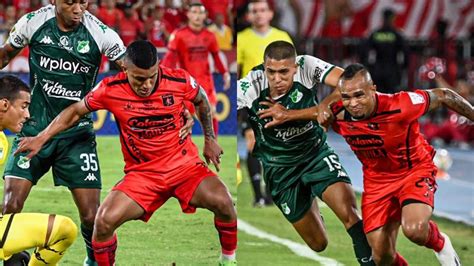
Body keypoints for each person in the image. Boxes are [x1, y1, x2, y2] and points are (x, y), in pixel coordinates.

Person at [15, 40, 238, 266]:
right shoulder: (110, 89)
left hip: (184, 167)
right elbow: (75, 111)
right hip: (143, 175)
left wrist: (209, 139)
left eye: (152, 76)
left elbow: (201, 98)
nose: (147, 84)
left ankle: (228, 261)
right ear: (125, 69)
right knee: (102, 222)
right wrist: (41, 137)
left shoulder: (177, 80)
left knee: (225, 202)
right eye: (140, 78)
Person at [258, 63, 472, 265]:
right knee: (381, 257)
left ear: (373, 90)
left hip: (413, 171)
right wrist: (286, 115)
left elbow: (444, 96)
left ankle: (441, 245)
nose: (353, 103)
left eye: (359, 95)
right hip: (376, 182)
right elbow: (315, 113)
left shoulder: (402, 104)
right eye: (347, 97)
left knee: (414, 229)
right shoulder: (338, 112)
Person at [0, 1, 127, 265]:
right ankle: (13, 259)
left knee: (92, 216)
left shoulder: (101, 34)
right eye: (71, 2)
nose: (79, 8)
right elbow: (4, 56)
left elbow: (133, 73)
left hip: (76, 135)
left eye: (84, 1)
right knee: (10, 205)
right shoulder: (33, 22)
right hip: (33, 130)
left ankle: (94, 261)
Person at [237, 41, 373, 265]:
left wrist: (322, 107)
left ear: (295, 68)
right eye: (271, 72)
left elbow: (348, 83)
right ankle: (310, 200)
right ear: (264, 68)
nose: (277, 79)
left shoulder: (308, 66)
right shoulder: (250, 85)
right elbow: (214, 106)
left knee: (351, 216)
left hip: (315, 155)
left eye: (284, 72)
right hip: (280, 169)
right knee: (318, 244)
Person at [0, 75, 78, 266]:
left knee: (65, 230)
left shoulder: (2, 141)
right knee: (64, 230)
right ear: (4, 105)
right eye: (24, 106)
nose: (27, 115)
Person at [237, 0, 293, 207]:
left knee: (275, 145)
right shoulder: (242, 38)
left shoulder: (282, 37)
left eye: (262, 10)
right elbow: (239, 68)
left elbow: (292, 68)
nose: (259, 14)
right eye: (254, 11)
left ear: (270, 14)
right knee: (253, 143)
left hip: (277, 98)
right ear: (249, 16)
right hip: (251, 99)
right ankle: (258, 195)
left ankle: (270, 194)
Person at [161, 1, 231, 137]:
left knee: (211, 112)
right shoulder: (179, 35)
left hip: (206, 82)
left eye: (200, 12)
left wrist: (225, 73)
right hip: (186, 82)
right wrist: (163, 74)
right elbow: (170, 57)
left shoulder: (210, 36)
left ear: (205, 15)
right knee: (185, 117)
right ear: (188, 14)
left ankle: (212, 143)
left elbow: (216, 56)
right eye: (194, 12)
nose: (197, 16)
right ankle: (183, 149)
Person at [364, 8, 407, 94]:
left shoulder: (375, 34)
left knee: (379, 95)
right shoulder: (397, 34)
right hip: (392, 70)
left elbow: (364, 51)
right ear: (393, 19)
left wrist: (368, 66)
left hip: (377, 69)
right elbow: (406, 52)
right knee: (392, 96)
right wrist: (403, 66)